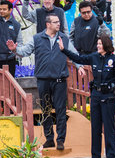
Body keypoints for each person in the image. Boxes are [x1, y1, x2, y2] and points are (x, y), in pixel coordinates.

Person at [8, 13, 71, 150]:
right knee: (46, 109)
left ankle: (60, 139)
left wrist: (80, 66)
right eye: (55, 22)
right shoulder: (37, 38)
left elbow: (74, 53)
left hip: (60, 80)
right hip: (43, 80)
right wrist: (15, 50)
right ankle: (49, 138)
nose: (58, 24)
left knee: (60, 110)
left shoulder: (64, 38)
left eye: (59, 22)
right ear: (48, 24)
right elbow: (24, 51)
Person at [61, 34, 115, 158]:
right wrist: (63, 49)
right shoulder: (94, 57)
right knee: (95, 128)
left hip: (108, 98)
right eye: (98, 44)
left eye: (100, 44)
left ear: (106, 45)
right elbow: (78, 58)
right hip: (95, 96)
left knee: (108, 129)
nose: (98, 46)